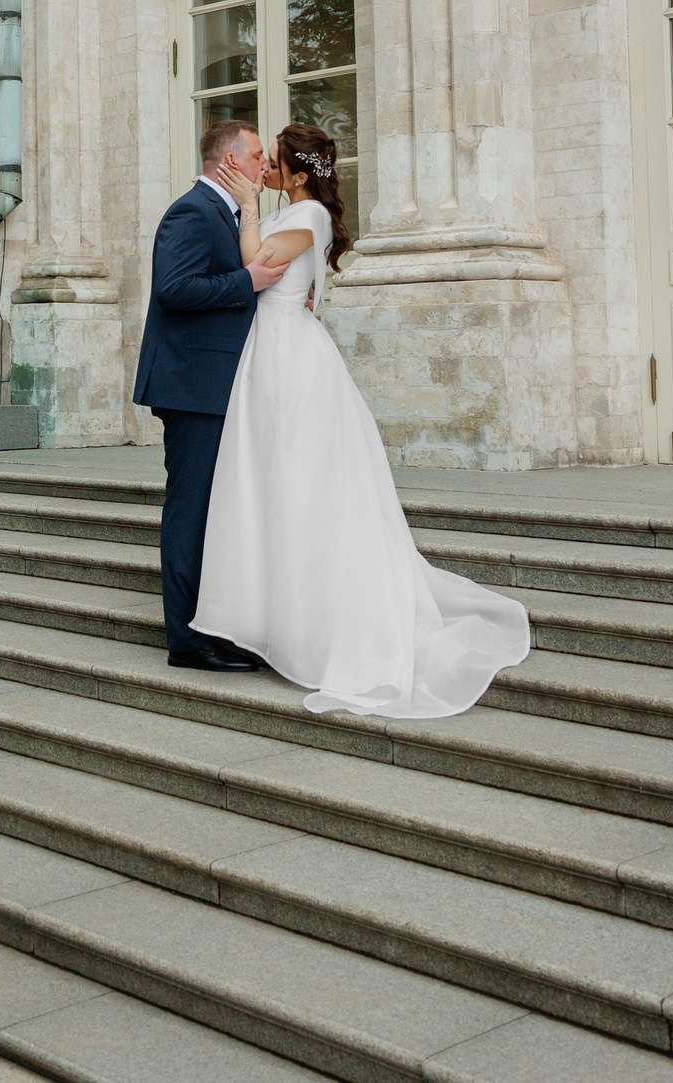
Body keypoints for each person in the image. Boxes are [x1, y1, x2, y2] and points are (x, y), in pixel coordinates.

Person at [191, 122, 533, 718]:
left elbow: (255, 266)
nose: (264, 168)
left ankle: (322, 625)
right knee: (271, 483)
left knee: (301, 482)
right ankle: (275, 616)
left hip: (290, 357)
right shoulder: (290, 211)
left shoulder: (309, 216)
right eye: (262, 159)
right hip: (266, 352)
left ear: (299, 175)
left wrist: (246, 208)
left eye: (274, 161)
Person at [131, 119, 288, 672]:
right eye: (257, 156)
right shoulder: (192, 211)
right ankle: (187, 641)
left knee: (213, 511)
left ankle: (213, 624)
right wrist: (249, 282)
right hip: (192, 386)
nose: (264, 165)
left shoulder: (229, 213)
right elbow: (174, 289)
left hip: (216, 384)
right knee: (191, 511)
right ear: (230, 161)